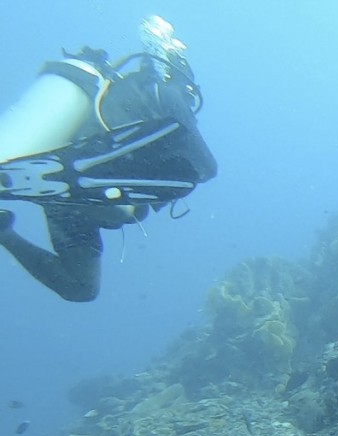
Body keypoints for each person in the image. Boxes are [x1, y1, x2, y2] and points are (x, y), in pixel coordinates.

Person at [0, 16, 216, 301]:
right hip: (85, 166)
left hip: (75, 192)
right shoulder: (164, 93)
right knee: (197, 172)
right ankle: (69, 171)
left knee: (82, 287)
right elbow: (207, 166)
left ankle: (8, 225)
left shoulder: (151, 103)